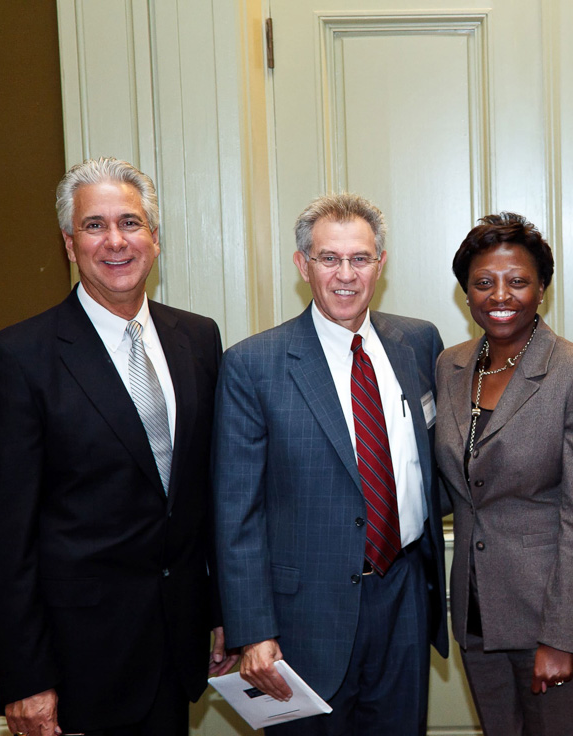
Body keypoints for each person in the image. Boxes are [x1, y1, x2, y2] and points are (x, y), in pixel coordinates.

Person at [0, 157, 235, 736]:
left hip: (177, 647)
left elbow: (204, 496)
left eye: (131, 223)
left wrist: (219, 613)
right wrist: (26, 678)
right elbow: (0, 542)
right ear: (68, 243)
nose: (115, 241)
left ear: (155, 240)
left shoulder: (198, 338)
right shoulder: (17, 360)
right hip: (77, 664)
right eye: (94, 226)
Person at [212, 193, 448, 735]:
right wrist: (253, 630)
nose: (346, 274)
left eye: (360, 258)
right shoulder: (253, 366)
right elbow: (236, 512)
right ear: (303, 265)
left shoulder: (418, 342)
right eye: (329, 258)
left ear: (380, 265)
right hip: (304, 616)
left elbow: (436, 461)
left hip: (405, 595)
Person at [435, 212, 573, 736]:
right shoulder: (450, 368)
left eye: (518, 281)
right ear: (465, 292)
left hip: (556, 620)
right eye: (483, 282)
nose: (500, 294)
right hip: (478, 618)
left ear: (542, 288)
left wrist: (563, 636)